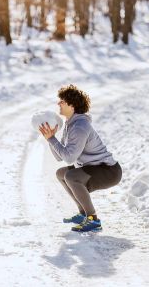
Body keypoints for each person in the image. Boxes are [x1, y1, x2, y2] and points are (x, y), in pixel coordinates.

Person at [39, 84, 122, 232]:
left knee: (71, 176)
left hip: (109, 171)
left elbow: (69, 158)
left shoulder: (79, 127)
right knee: (61, 173)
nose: (59, 103)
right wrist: (50, 139)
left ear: (72, 105)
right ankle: (83, 214)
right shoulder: (70, 124)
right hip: (94, 167)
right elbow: (60, 157)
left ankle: (93, 219)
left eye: (62, 101)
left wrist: (52, 139)